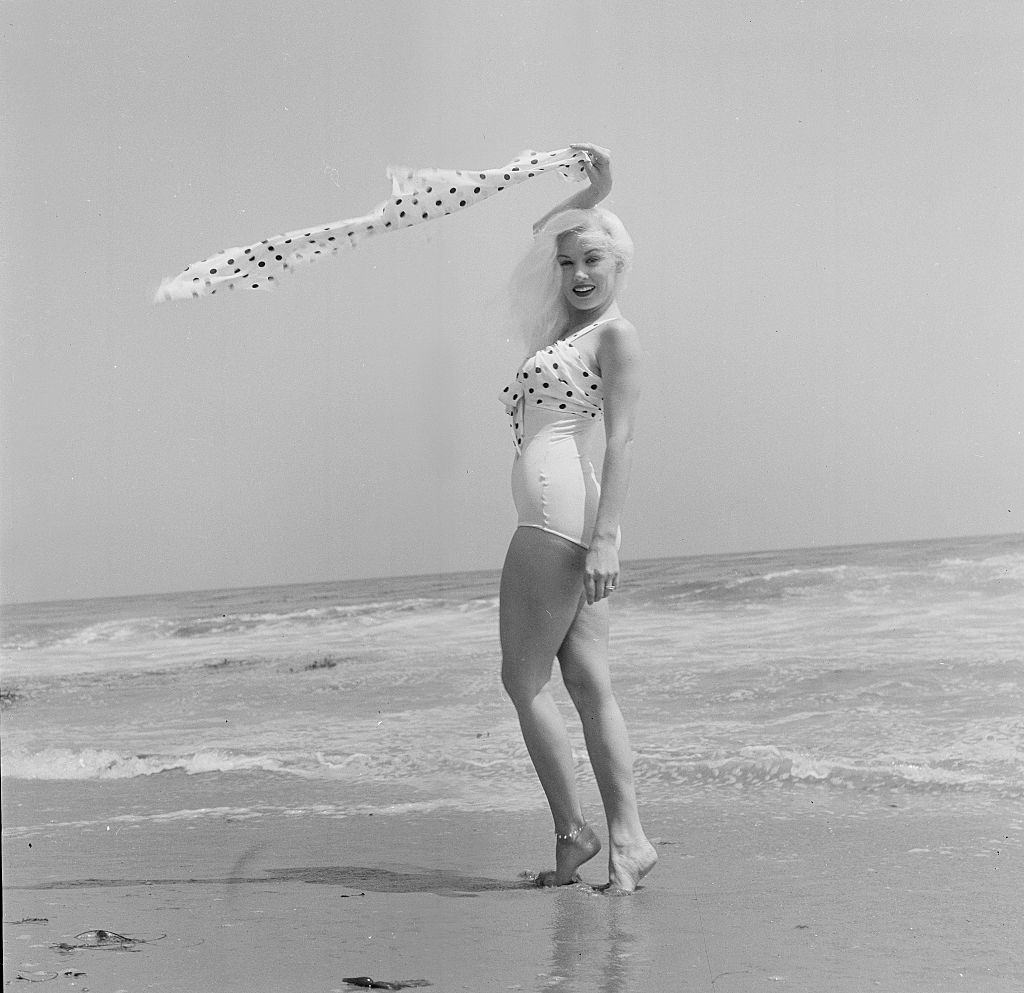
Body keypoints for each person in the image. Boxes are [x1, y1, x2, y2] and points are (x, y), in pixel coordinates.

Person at [499, 143, 657, 893]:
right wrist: (595, 189)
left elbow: (622, 439)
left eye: (592, 259)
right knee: (589, 681)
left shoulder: (614, 336)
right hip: (559, 504)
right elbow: (544, 234)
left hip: (563, 511)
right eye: (568, 264)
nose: (578, 274)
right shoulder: (563, 330)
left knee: (522, 680)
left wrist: (607, 540)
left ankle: (576, 831)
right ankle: (628, 844)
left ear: (619, 262)